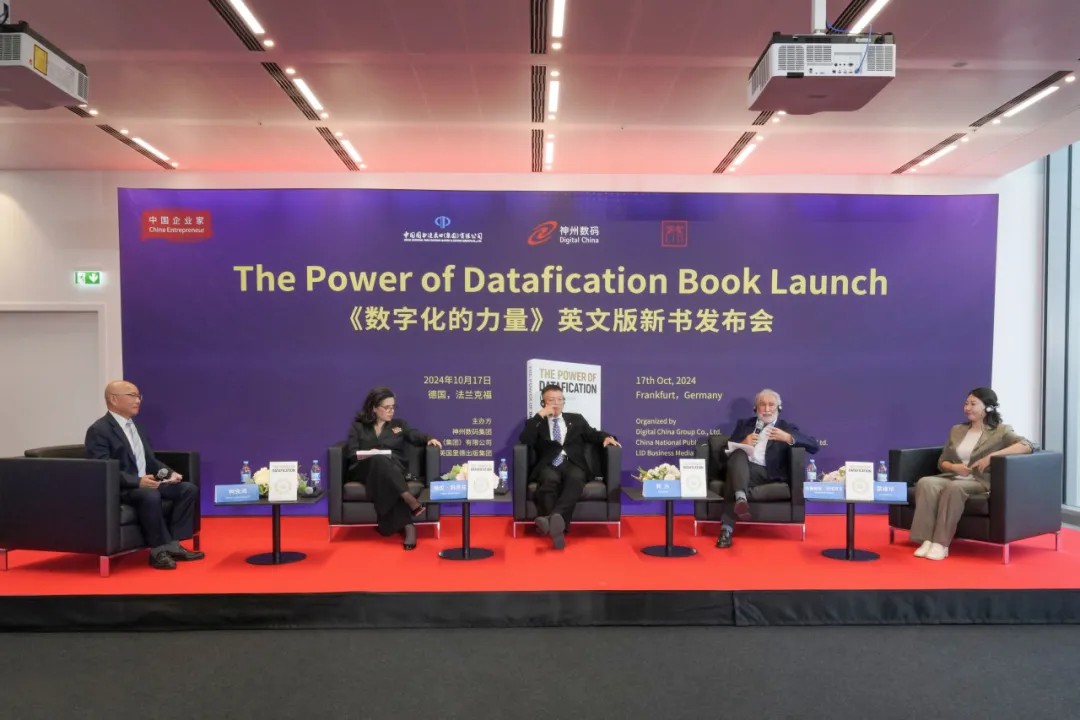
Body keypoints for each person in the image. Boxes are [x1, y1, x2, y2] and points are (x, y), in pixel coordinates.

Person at [84, 380, 203, 570]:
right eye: (132, 395)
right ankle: (157, 551)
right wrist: (137, 481)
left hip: (146, 483)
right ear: (114, 399)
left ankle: (173, 544)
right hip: (120, 488)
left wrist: (170, 473)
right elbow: (102, 469)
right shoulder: (99, 430)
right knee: (150, 495)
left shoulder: (137, 427)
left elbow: (149, 460)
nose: (138, 400)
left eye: (139, 396)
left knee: (187, 489)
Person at [910, 387, 1033, 561]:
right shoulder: (957, 430)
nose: (967, 408)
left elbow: (1026, 445)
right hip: (955, 476)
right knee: (925, 482)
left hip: (980, 480)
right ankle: (926, 539)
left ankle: (941, 544)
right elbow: (943, 461)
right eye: (966, 403)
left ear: (988, 407)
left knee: (955, 487)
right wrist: (955, 468)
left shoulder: (1001, 431)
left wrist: (990, 457)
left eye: (973, 404)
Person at [518, 384, 621, 550]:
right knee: (549, 480)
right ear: (543, 402)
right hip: (550, 463)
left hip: (572, 462)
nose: (556, 403)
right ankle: (558, 528)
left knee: (576, 477)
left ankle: (551, 519)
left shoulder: (576, 419)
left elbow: (592, 434)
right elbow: (526, 440)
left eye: (560, 399)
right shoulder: (536, 423)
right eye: (552, 400)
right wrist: (540, 416)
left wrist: (607, 437)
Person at [716, 388, 819, 549]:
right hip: (742, 469)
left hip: (768, 472)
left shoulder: (785, 427)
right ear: (756, 408)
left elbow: (814, 446)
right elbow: (724, 454)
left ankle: (729, 523)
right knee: (738, 455)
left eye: (771, 404)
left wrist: (788, 438)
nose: (767, 409)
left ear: (779, 408)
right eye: (762, 405)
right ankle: (740, 499)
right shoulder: (744, 425)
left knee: (733, 480)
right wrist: (743, 443)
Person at [345, 387, 442, 550]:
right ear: (374, 408)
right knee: (377, 459)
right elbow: (351, 453)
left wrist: (429, 438)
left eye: (393, 407)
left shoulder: (399, 425)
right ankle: (409, 503)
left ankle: (404, 523)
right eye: (387, 407)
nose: (391, 411)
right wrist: (370, 453)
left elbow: (414, 435)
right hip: (364, 469)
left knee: (383, 469)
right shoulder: (359, 427)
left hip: (393, 468)